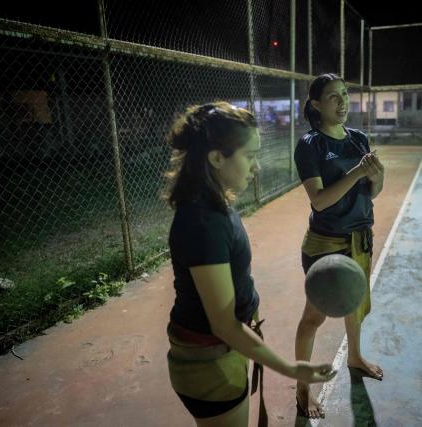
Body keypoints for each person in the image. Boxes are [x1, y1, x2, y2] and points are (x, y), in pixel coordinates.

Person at [164, 101, 336, 426]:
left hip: (224, 350)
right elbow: (223, 323)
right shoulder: (203, 222)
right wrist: (290, 368)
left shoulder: (213, 205)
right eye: (250, 155)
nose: (256, 167)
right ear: (216, 158)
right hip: (210, 359)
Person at [293, 74, 385, 418]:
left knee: (354, 305)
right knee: (314, 316)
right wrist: (358, 174)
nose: (342, 101)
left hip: (359, 238)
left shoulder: (358, 138)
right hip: (326, 244)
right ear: (316, 104)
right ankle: (303, 387)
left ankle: (356, 357)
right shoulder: (310, 144)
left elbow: (372, 193)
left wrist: (377, 176)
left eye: (345, 95)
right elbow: (319, 201)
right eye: (333, 96)